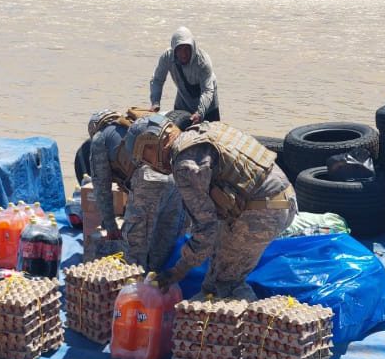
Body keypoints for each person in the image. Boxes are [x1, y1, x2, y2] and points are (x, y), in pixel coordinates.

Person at [125, 115, 295, 300]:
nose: (148, 164)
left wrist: (177, 271)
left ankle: (252, 325)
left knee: (221, 286)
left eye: (145, 155)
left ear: (154, 143)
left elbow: (206, 229)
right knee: (217, 275)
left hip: (262, 211)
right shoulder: (202, 131)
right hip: (284, 198)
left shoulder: (185, 166)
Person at [86, 109, 186, 271]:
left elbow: (101, 187)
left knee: (134, 246)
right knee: (165, 237)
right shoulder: (134, 125)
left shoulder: (99, 139)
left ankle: (135, 288)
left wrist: (111, 227)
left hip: (148, 180)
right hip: (173, 174)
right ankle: (158, 282)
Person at [148, 27, 219, 128]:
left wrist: (200, 113)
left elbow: (207, 91)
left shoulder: (203, 62)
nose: (183, 54)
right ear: (174, 49)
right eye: (179, 49)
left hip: (208, 106)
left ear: (193, 48)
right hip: (183, 101)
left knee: (210, 139)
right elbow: (157, 80)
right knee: (174, 136)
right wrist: (155, 102)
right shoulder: (167, 57)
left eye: (186, 49)